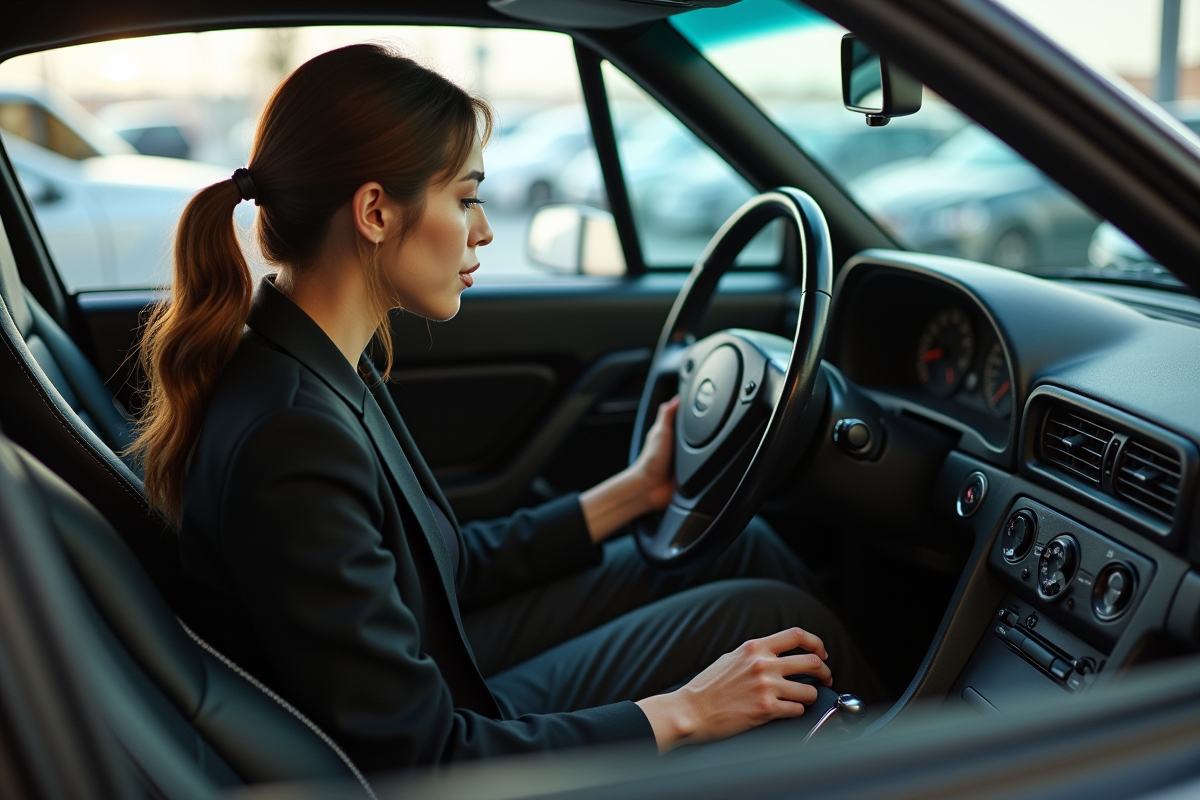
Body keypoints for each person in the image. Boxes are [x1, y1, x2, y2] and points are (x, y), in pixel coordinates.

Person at [132, 43, 882, 774]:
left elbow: (443, 563)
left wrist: (636, 492)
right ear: (373, 212)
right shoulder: (290, 435)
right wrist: (690, 711)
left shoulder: (311, 363)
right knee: (772, 619)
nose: (485, 228)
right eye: (464, 198)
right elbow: (426, 758)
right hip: (460, 737)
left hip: (441, 663)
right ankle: (954, 761)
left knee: (741, 551)